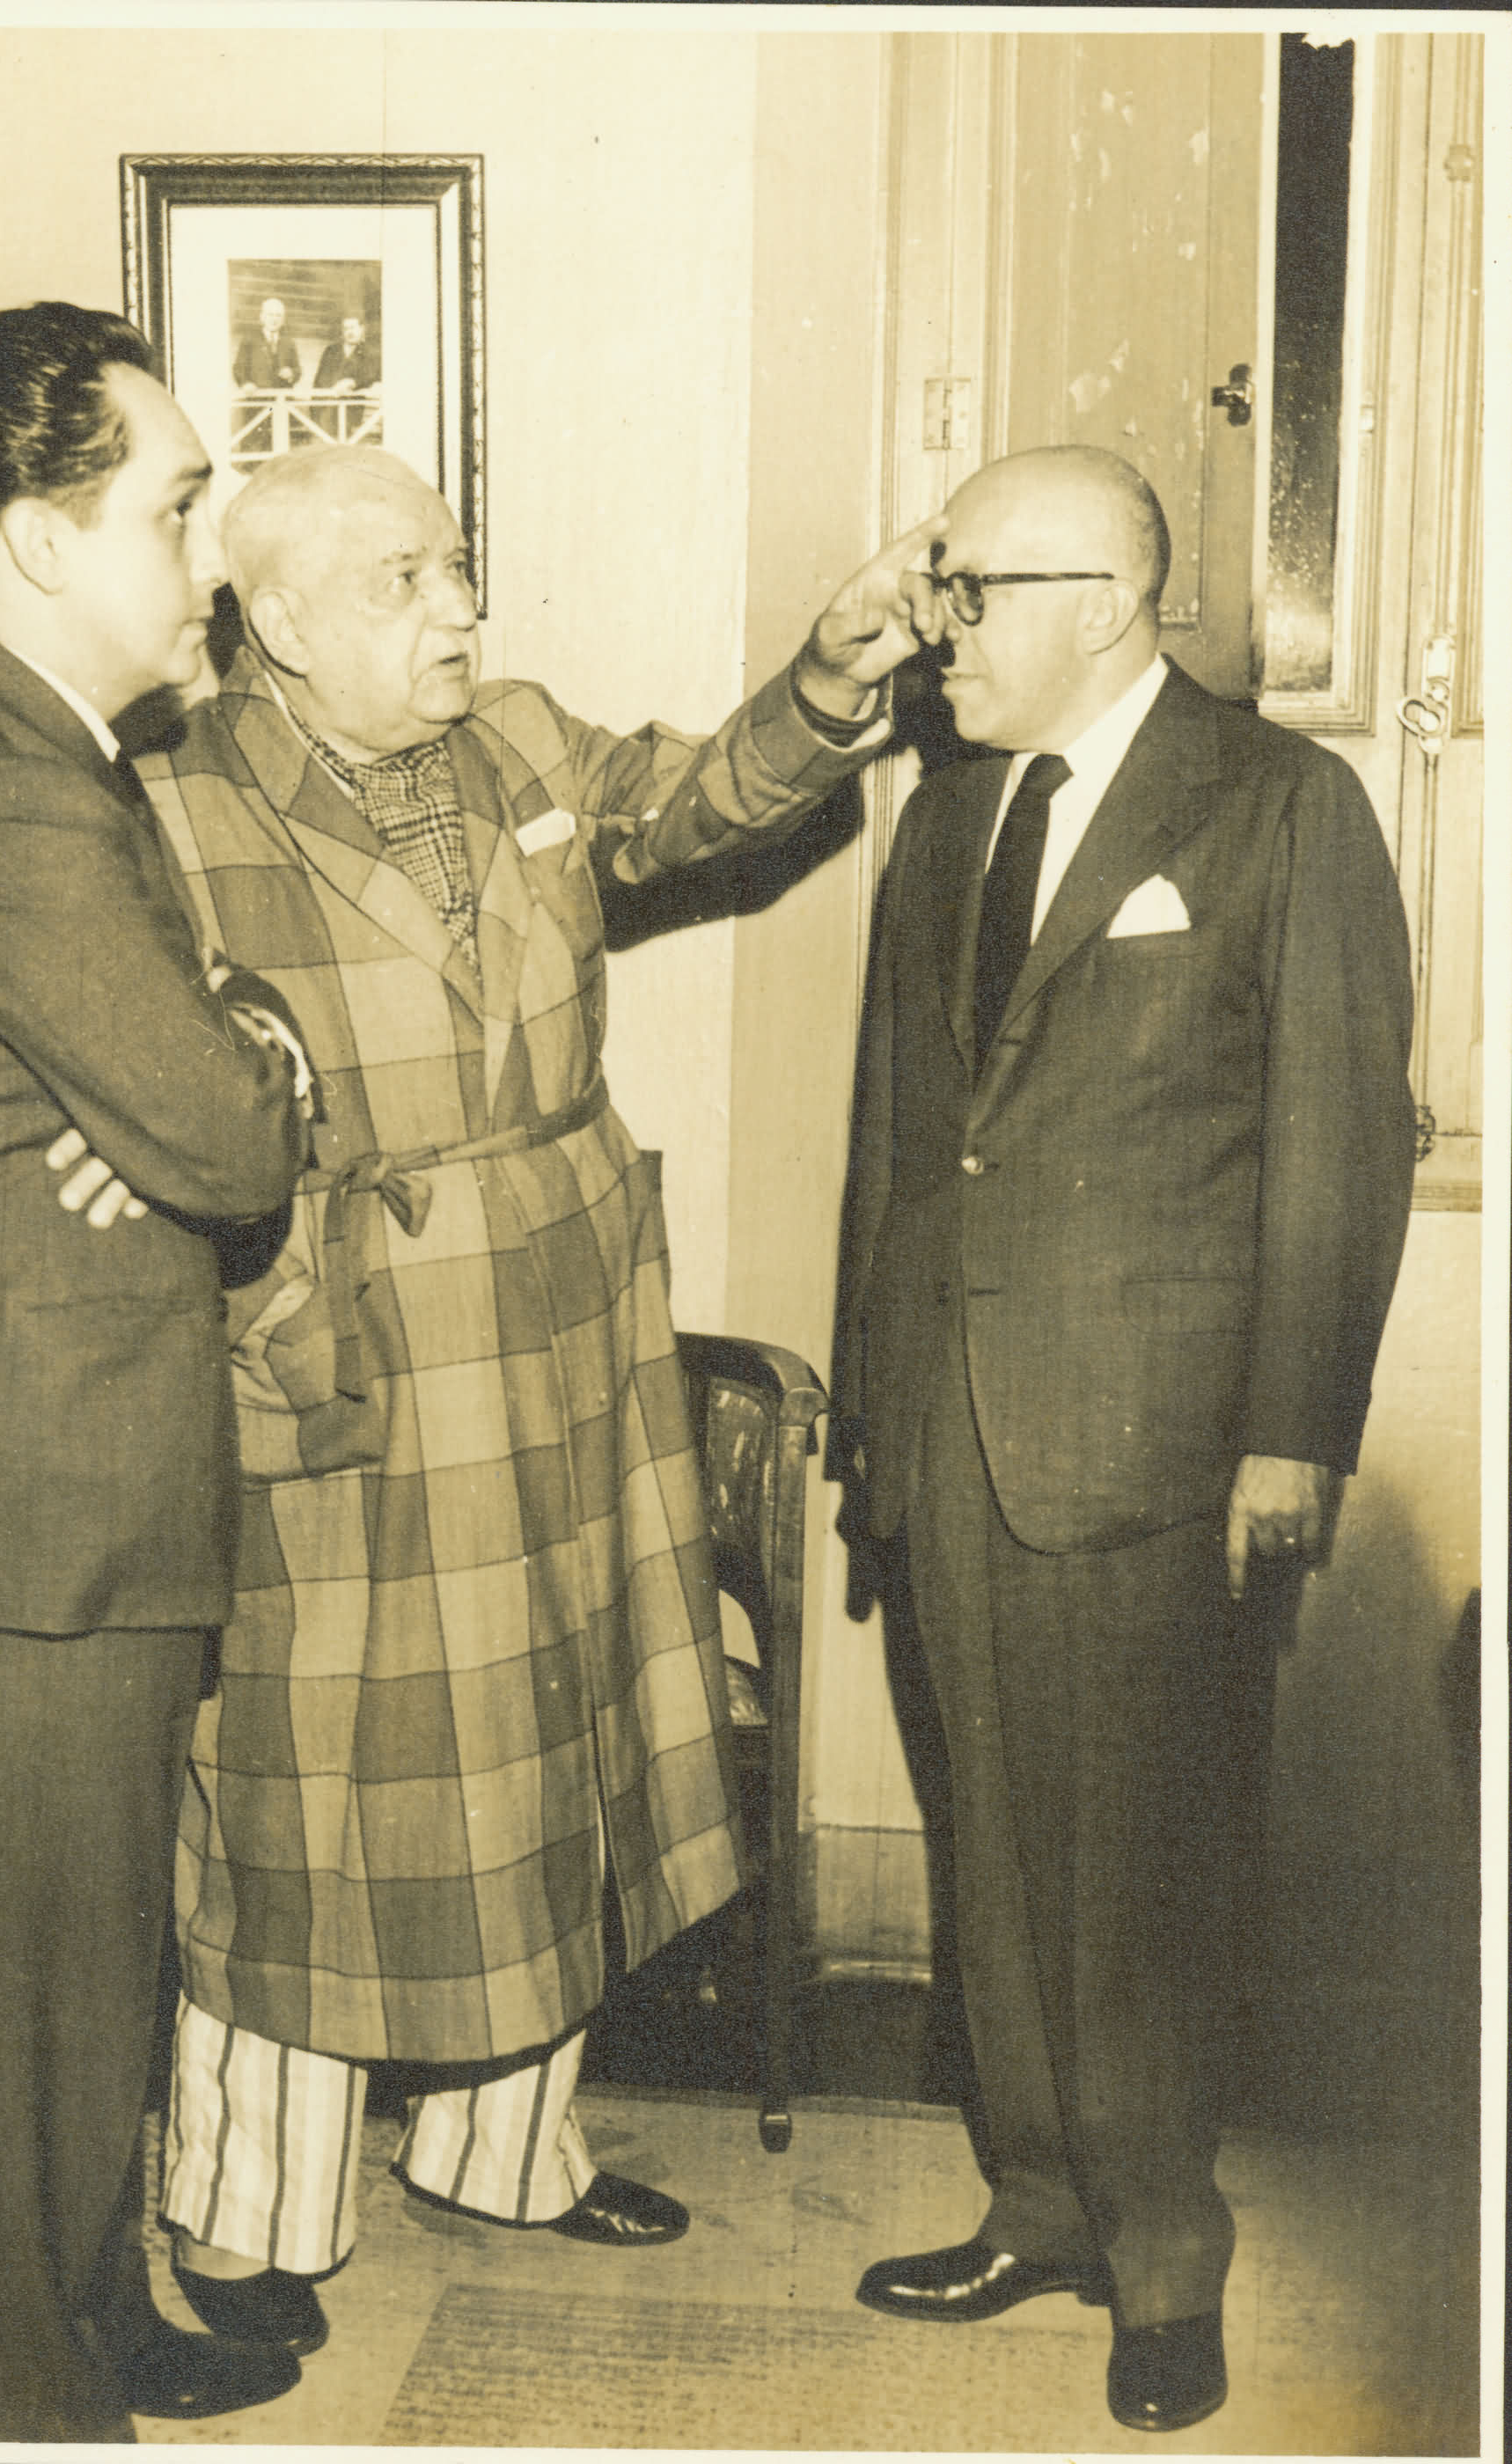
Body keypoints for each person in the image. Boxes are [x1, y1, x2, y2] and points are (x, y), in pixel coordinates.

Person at [124, 444, 938, 2352]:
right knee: (314, 1782)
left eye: (456, 566)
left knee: (551, 1739)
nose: (458, 608)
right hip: (344, 1345)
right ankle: (245, 2212)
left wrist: (831, 674)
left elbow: (699, 797)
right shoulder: (166, 805)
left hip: (566, 1319)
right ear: (278, 621)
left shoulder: (515, 737)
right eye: (403, 580)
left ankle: (507, 2150)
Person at [830, 444, 1416, 2435]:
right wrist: (873, 1412)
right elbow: (898, 1139)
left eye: (969, 588)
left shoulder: (1279, 807)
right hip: (951, 1430)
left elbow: (1338, 1150)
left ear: (1101, 601)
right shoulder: (944, 815)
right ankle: (1037, 2202)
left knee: (1142, 1875)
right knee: (993, 1852)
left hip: (1160, 1447)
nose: (937, 626)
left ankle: (1165, 2263)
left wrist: (1291, 1439)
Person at [0, 301, 317, 2442]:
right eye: (176, 509)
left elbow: (208, 1064)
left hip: (48, 1504)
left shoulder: (30, 748)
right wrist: (211, 1083)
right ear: (36, 537)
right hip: (11, 1528)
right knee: (18, 2036)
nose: (209, 557)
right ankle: (17, 2409)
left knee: (86, 1983)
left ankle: (90, 2323)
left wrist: (211, 1064)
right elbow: (226, 1134)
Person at [233, 296, 302, 393]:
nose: (274, 319)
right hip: (257, 397)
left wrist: (291, 373)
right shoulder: (249, 340)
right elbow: (239, 368)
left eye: (278, 316)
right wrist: (245, 383)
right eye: (270, 315)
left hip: (282, 398)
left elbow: (297, 369)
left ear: (283, 320)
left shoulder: (289, 342)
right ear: (262, 317)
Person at [313, 310, 380, 393]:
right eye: (346, 329)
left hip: (354, 399)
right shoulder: (331, 351)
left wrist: (353, 383)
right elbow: (319, 381)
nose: (350, 332)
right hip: (330, 397)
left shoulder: (370, 353)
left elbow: (370, 377)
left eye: (353, 328)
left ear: (361, 329)